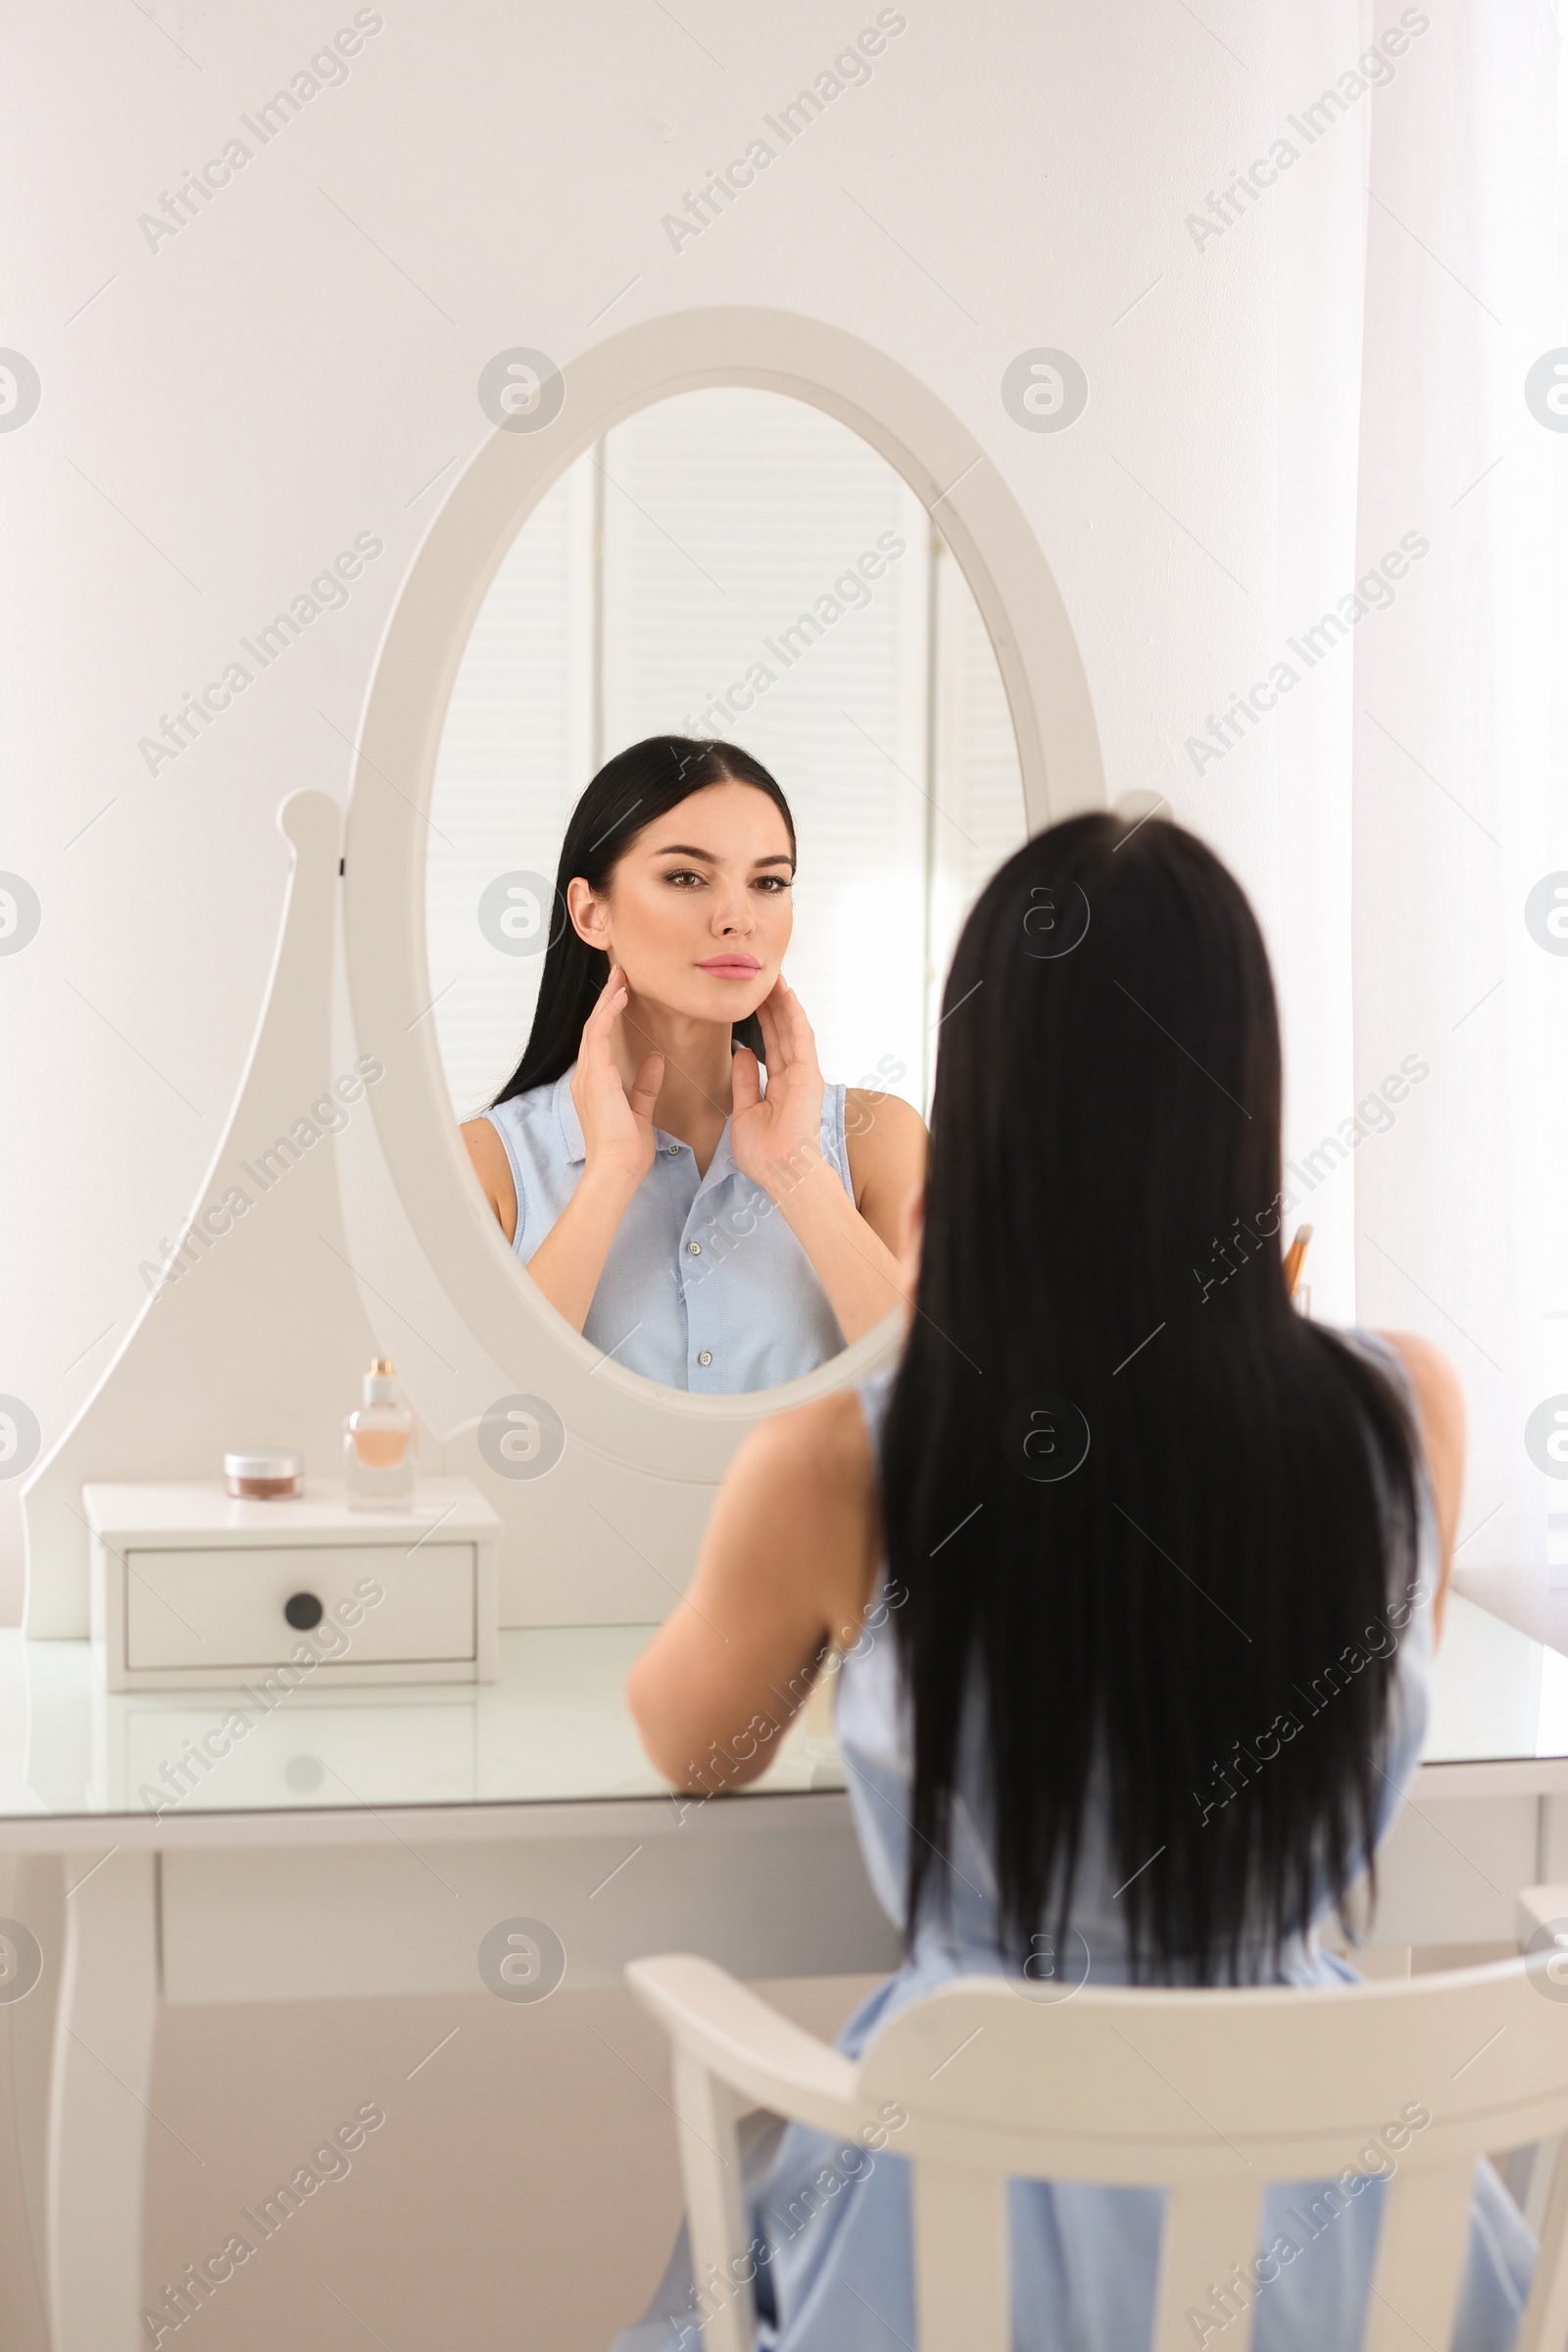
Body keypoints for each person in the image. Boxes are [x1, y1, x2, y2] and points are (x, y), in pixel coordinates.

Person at [619, 810, 1535, 2350]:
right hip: (1339, 2249)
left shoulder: (843, 1462)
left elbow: (688, 1744)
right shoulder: (1408, 1417)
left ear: (980, 1110)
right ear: (1248, 1096)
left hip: (969, 2229)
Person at [462, 736, 925, 1393]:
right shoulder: (488, 1165)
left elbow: (938, 1410)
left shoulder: (877, 1140)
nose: (738, 918)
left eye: (769, 882)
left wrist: (796, 1172)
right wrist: (609, 1178)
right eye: (686, 877)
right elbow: (484, 1417)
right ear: (592, 912)